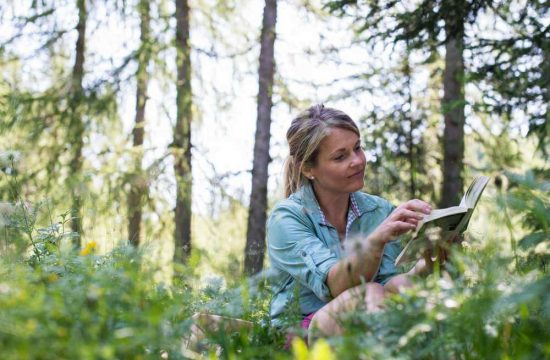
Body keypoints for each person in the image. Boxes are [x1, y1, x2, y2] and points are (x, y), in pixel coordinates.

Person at [267, 104, 433, 344]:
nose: (357, 161)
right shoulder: (287, 219)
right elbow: (337, 285)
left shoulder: (378, 210)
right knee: (369, 291)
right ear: (308, 169)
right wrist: (376, 241)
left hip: (368, 318)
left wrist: (426, 265)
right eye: (340, 156)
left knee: (401, 284)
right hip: (302, 332)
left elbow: (388, 283)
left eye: (358, 148)